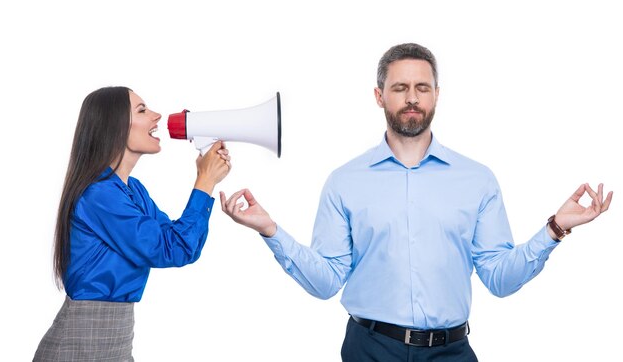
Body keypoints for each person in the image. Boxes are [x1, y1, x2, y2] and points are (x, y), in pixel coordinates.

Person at [220, 43, 613, 362]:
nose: (412, 98)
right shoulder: (344, 182)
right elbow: (326, 282)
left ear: (436, 95)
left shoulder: (477, 180)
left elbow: (499, 278)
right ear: (379, 96)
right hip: (369, 350)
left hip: (452, 353)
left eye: (422, 88)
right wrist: (270, 230)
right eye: (400, 88)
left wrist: (555, 229)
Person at [34, 86, 231, 361]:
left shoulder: (133, 190)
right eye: (142, 110)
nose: (157, 115)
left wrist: (205, 183)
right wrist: (204, 182)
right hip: (82, 342)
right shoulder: (99, 194)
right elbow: (169, 249)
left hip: (116, 338)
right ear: (112, 125)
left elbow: (182, 246)